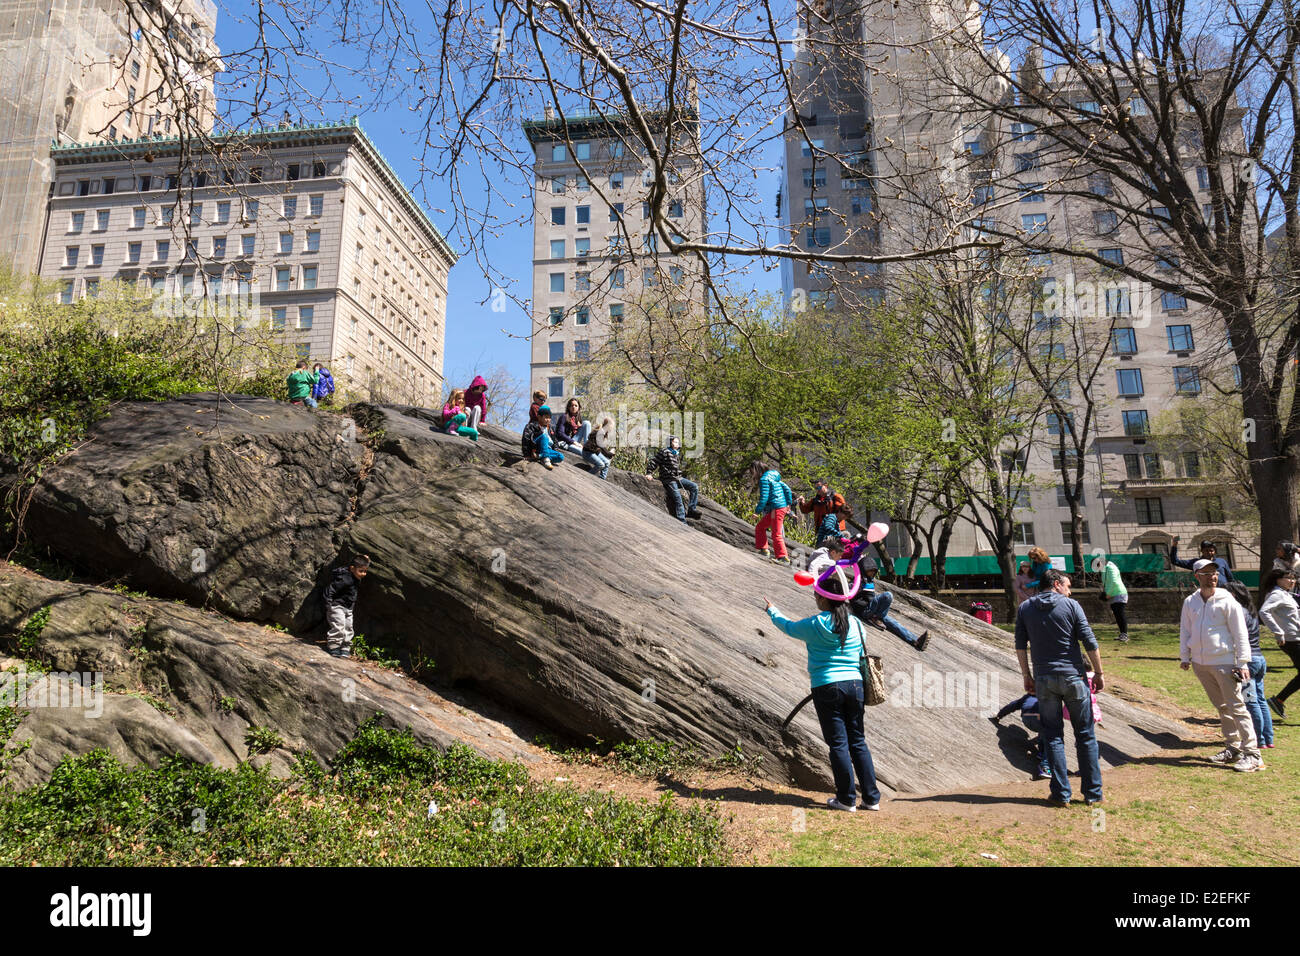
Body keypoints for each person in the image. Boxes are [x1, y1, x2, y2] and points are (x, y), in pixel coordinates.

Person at [764, 569, 881, 812]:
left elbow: (788, 627)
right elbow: (860, 653)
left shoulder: (816, 624)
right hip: (856, 685)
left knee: (838, 743)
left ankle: (846, 799)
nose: (815, 598)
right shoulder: (857, 625)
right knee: (858, 740)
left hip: (826, 686)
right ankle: (871, 798)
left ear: (826, 598)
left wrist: (772, 611)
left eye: (817, 594)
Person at [1014, 569, 1105, 806]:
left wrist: (1027, 675)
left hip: (1044, 679)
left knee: (1053, 736)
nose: (1070, 590)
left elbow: (1020, 646)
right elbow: (1089, 641)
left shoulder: (1025, 608)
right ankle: (1093, 793)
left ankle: (1061, 793)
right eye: (1067, 585)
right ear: (1056, 584)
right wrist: (1099, 672)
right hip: (1073, 677)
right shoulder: (1072, 606)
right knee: (1085, 735)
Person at [1178, 559, 1261, 772]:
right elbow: (1185, 630)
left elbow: (1240, 633)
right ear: (1196, 576)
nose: (1212, 576)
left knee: (1237, 706)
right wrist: (1185, 656)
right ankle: (1233, 748)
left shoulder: (1227, 600)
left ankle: (1252, 753)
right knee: (1222, 707)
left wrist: (1242, 662)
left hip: (1225, 662)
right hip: (1200, 663)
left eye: (1214, 572)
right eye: (1206, 573)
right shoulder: (1190, 602)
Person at [1224, 581, 1273, 749]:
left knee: (1250, 701)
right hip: (1259, 659)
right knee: (1260, 700)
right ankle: (1268, 738)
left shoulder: (1239, 613)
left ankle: (1258, 739)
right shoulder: (1250, 612)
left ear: (1234, 595)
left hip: (1249, 662)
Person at [849, 554, 929, 651]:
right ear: (863, 570)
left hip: (873, 611)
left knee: (894, 623)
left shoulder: (869, 581)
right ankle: (876, 617)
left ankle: (915, 641)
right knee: (887, 595)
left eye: (873, 571)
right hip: (865, 611)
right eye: (869, 571)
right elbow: (850, 595)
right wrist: (859, 590)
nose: (871, 573)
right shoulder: (857, 582)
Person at [1260, 567, 1300, 720]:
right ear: (1278, 579)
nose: (1292, 581)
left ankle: (1278, 700)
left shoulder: (1285, 594)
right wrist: (1278, 632)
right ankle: (1278, 700)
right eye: (1288, 578)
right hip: (1291, 640)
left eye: (1293, 578)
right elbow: (1264, 612)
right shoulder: (1277, 594)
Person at [989, 691, 1051, 780]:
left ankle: (1041, 753)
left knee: (1044, 732)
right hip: (1039, 716)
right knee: (1052, 736)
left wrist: (999, 716)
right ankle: (1045, 767)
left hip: (1026, 718)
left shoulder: (1027, 697)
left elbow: (1011, 706)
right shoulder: (1047, 695)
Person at [644, 435, 701, 524]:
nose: (677, 444)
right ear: (670, 443)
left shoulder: (676, 453)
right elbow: (654, 461)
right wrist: (649, 473)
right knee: (678, 498)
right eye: (675, 442)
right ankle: (682, 522)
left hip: (678, 478)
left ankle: (691, 509)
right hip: (669, 479)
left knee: (694, 487)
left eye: (678, 442)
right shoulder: (664, 451)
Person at [322, 555, 370, 659]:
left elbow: (357, 561)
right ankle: (334, 646)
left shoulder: (355, 575)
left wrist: (366, 559)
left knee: (348, 627)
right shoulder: (344, 579)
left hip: (348, 608)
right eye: (361, 571)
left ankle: (345, 647)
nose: (363, 574)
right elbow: (330, 590)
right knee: (339, 626)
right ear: (352, 568)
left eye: (365, 571)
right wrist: (329, 604)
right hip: (337, 606)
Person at [752, 461, 795, 564]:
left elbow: (764, 498)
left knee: (776, 534)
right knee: (760, 527)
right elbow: (788, 490)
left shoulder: (764, 480)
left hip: (777, 508)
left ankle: (783, 557)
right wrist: (788, 503)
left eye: (752, 470)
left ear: (757, 470)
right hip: (779, 507)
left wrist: (757, 512)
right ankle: (764, 550)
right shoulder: (775, 478)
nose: (751, 473)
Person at [798, 480, 848, 548]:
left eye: (819, 488)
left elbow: (844, 510)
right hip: (822, 531)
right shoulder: (815, 501)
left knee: (838, 550)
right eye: (816, 489)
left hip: (837, 530)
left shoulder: (835, 497)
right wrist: (802, 502)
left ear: (826, 486)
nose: (817, 490)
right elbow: (805, 510)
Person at [522, 405, 564, 469]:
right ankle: (545, 459)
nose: (548, 420)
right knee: (544, 437)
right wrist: (526, 454)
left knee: (560, 456)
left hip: (547, 449)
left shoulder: (551, 428)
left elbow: (555, 441)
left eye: (549, 418)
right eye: (546, 417)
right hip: (537, 448)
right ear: (539, 417)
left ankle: (540, 456)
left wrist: (555, 450)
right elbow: (526, 439)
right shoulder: (532, 426)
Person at [1102, 559, 1129, 643]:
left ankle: (1124, 634)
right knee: (1117, 615)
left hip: (1119, 593)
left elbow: (1113, 582)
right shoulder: (1105, 570)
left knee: (1120, 614)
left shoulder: (1110, 568)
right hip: (1113, 594)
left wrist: (1108, 594)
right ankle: (1122, 634)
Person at [581, 413, 615, 480]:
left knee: (607, 463)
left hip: (595, 452)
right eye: (611, 426)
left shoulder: (604, 432)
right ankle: (587, 476)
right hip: (588, 452)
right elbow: (602, 447)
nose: (612, 428)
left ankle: (602, 478)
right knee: (601, 465)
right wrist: (610, 454)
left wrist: (609, 454)